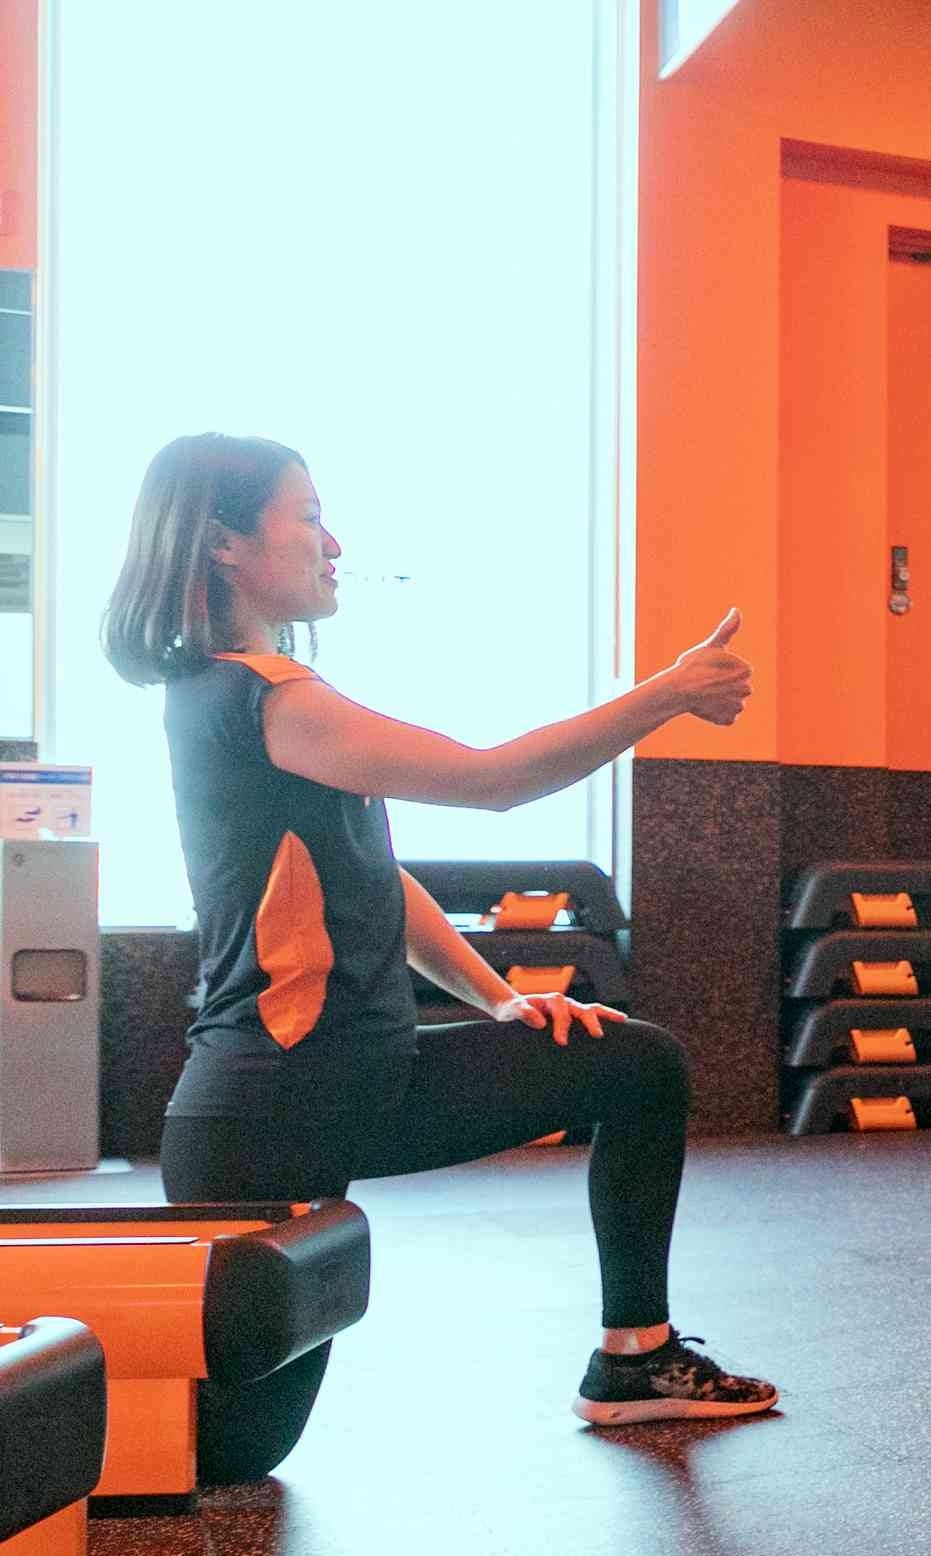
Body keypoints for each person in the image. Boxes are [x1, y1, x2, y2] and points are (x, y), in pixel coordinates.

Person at [100, 432, 779, 1440]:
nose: (334, 543)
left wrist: (500, 1000)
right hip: (274, 1112)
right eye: (308, 516)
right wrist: (667, 693)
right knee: (229, 1454)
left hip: (366, 1085)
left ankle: (634, 1357)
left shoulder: (251, 695)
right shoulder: (262, 699)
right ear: (223, 543)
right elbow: (494, 780)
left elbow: (382, 878)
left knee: (636, 1066)